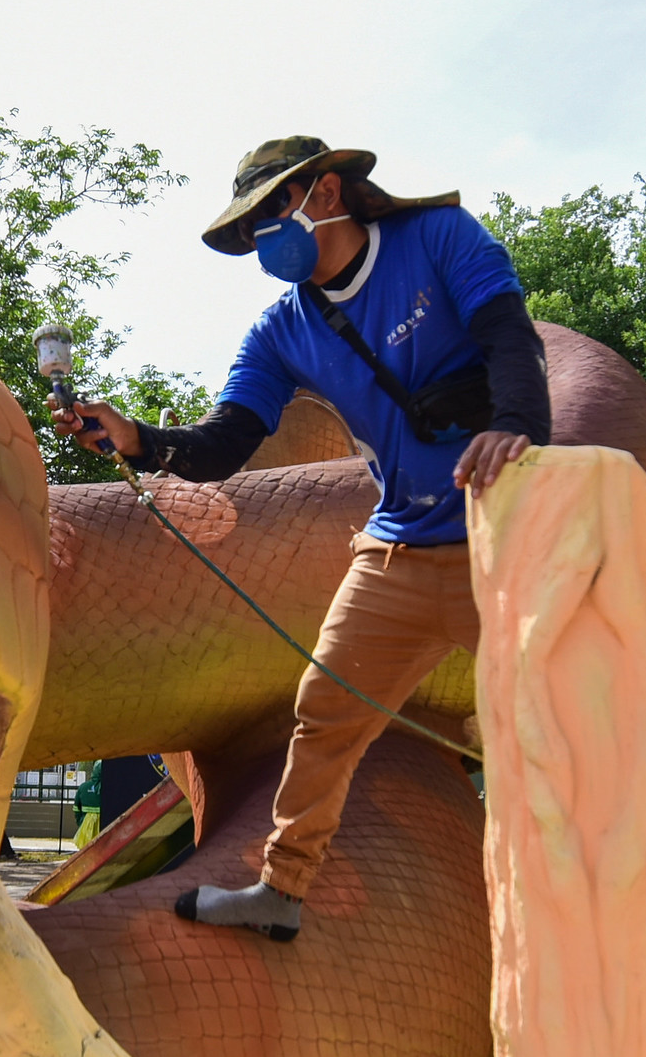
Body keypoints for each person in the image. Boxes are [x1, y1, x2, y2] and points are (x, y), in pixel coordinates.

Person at [54, 136, 549, 941]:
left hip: (505, 527)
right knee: (323, 712)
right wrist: (136, 437)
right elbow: (223, 446)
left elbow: (510, 340)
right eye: (249, 230)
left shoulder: (441, 240)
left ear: (325, 191)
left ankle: (623, 899)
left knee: (557, 715)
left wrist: (519, 429)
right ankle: (282, 890)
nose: (261, 241)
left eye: (270, 213)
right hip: (399, 544)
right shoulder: (281, 331)